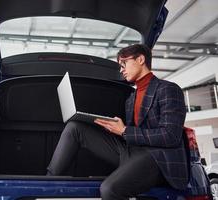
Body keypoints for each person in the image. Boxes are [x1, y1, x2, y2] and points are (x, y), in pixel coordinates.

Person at [47, 44, 188, 199]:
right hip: (130, 151)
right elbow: (129, 134)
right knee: (75, 127)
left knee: (109, 189)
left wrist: (125, 131)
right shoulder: (130, 99)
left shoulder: (168, 89)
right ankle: (46, 182)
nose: (121, 70)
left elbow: (171, 136)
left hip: (157, 158)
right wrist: (112, 128)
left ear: (140, 59)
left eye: (124, 64)